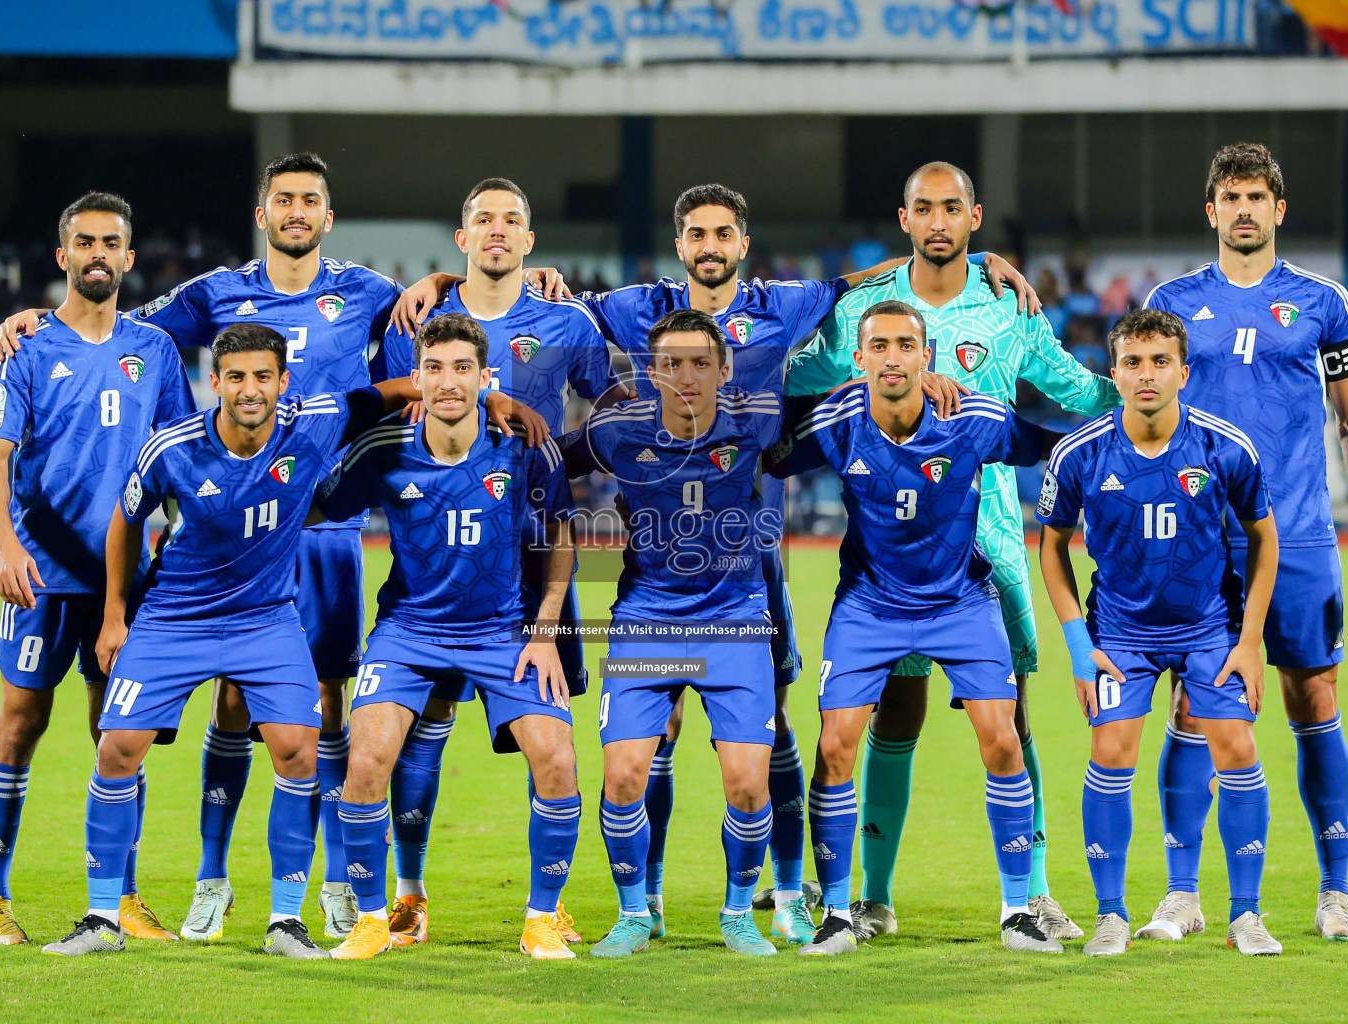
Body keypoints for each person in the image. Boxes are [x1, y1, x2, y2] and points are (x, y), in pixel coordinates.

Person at [396, 181, 1038, 943]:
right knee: (648, 743)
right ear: (681, 244)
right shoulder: (635, 316)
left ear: (741, 241)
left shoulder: (784, 311)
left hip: (749, 566)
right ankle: (650, 902)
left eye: (723, 233)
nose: (710, 245)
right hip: (652, 574)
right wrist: (444, 288)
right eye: (696, 233)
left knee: (777, 741)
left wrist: (968, 259)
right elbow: (553, 315)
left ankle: (790, 893)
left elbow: (863, 289)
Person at [0, 155, 543, 941]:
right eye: (282, 198)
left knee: (324, 710)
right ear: (263, 213)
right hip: (231, 539)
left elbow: (427, 360)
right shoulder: (216, 293)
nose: (296, 210)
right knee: (232, 702)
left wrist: (457, 286)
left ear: (327, 215)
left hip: (329, 534)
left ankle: (331, 889)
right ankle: (213, 878)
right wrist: (35, 319)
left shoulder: (369, 292)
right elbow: (119, 316)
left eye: (310, 200)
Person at [784, 162, 1107, 943]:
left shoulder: (1004, 304)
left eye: (951, 208)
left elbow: (1070, 387)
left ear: (975, 217)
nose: (937, 221)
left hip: (987, 540)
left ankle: (1033, 891)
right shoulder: (865, 307)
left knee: (1011, 717)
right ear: (904, 218)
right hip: (889, 554)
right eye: (924, 208)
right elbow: (795, 373)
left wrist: (1143, 403)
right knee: (895, 709)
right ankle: (874, 896)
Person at [41, 323, 413, 958]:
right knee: (116, 749)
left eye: (263, 376)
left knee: (299, 751)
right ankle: (103, 919)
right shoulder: (171, 447)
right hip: (173, 618)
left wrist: (490, 398)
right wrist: (112, 616)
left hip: (266, 619)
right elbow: (125, 520)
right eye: (236, 377)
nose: (250, 389)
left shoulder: (314, 421)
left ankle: (285, 923)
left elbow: (396, 390)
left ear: (283, 382)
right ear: (214, 383)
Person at [1141, 142, 1348, 942]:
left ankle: (1335, 893)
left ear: (1278, 210)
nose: (1244, 209)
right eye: (1231, 197)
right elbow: (1148, 415)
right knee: (1192, 707)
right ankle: (1183, 895)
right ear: (1211, 211)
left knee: (1312, 699)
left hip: (1302, 536)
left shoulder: (1324, 302)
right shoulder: (1173, 300)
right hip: (1201, 542)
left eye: (1257, 196)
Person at [372, 177, 632, 946]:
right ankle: (410, 895)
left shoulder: (563, 317)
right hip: (430, 563)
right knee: (424, 723)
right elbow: (387, 400)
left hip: (531, 556)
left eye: (511, 221)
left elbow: (616, 403)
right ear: (462, 239)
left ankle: (542, 912)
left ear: (529, 240)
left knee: (546, 740)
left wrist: (564, 456)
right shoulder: (416, 317)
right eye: (482, 219)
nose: (496, 230)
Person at [767, 300, 1064, 956]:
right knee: (837, 745)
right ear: (861, 357)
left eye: (907, 345)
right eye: (880, 346)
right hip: (869, 606)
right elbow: (773, 455)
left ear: (927, 356)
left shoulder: (974, 418)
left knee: (1003, 740)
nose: (894, 357)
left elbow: (1053, 446)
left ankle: (1018, 911)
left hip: (961, 601)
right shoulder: (841, 419)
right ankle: (839, 914)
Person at [312, 313, 583, 961]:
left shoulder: (522, 445)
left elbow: (564, 532)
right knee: (367, 760)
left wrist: (545, 630)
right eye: (434, 368)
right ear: (418, 377)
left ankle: (541, 920)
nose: (448, 381)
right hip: (409, 631)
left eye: (463, 368)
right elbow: (317, 502)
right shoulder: (384, 449)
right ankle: (377, 918)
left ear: (484, 376)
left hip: (500, 630)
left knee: (558, 758)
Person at [0, 192, 194, 946]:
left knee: (119, 733)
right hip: (40, 578)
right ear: (62, 255)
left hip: (125, 583)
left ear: (130, 259)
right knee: (20, 720)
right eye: (84, 242)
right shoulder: (26, 348)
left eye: (112, 243)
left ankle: (123, 897)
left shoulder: (156, 351)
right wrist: (5, 545)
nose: (98, 253)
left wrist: (180, 547)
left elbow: (178, 463)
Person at [1039, 308, 1283, 956]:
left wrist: (1250, 641)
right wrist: (1077, 645)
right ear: (1113, 371)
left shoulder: (1225, 447)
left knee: (1235, 746)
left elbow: (1264, 538)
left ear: (1184, 371)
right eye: (1133, 362)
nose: (1147, 375)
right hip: (1120, 633)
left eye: (1160, 362)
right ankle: (1112, 916)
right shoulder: (1080, 453)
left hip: (1210, 627)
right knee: (1112, 750)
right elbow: (1052, 547)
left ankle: (1246, 915)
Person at [560, 309, 783, 957]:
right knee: (624, 773)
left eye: (700, 363)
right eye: (672, 364)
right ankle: (635, 913)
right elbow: (544, 459)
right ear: (652, 372)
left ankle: (739, 912)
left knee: (747, 782)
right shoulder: (617, 429)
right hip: (646, 621)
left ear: (724, 369)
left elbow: (844, 417)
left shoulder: (758, 419)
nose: (686, 376)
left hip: (736, 619)